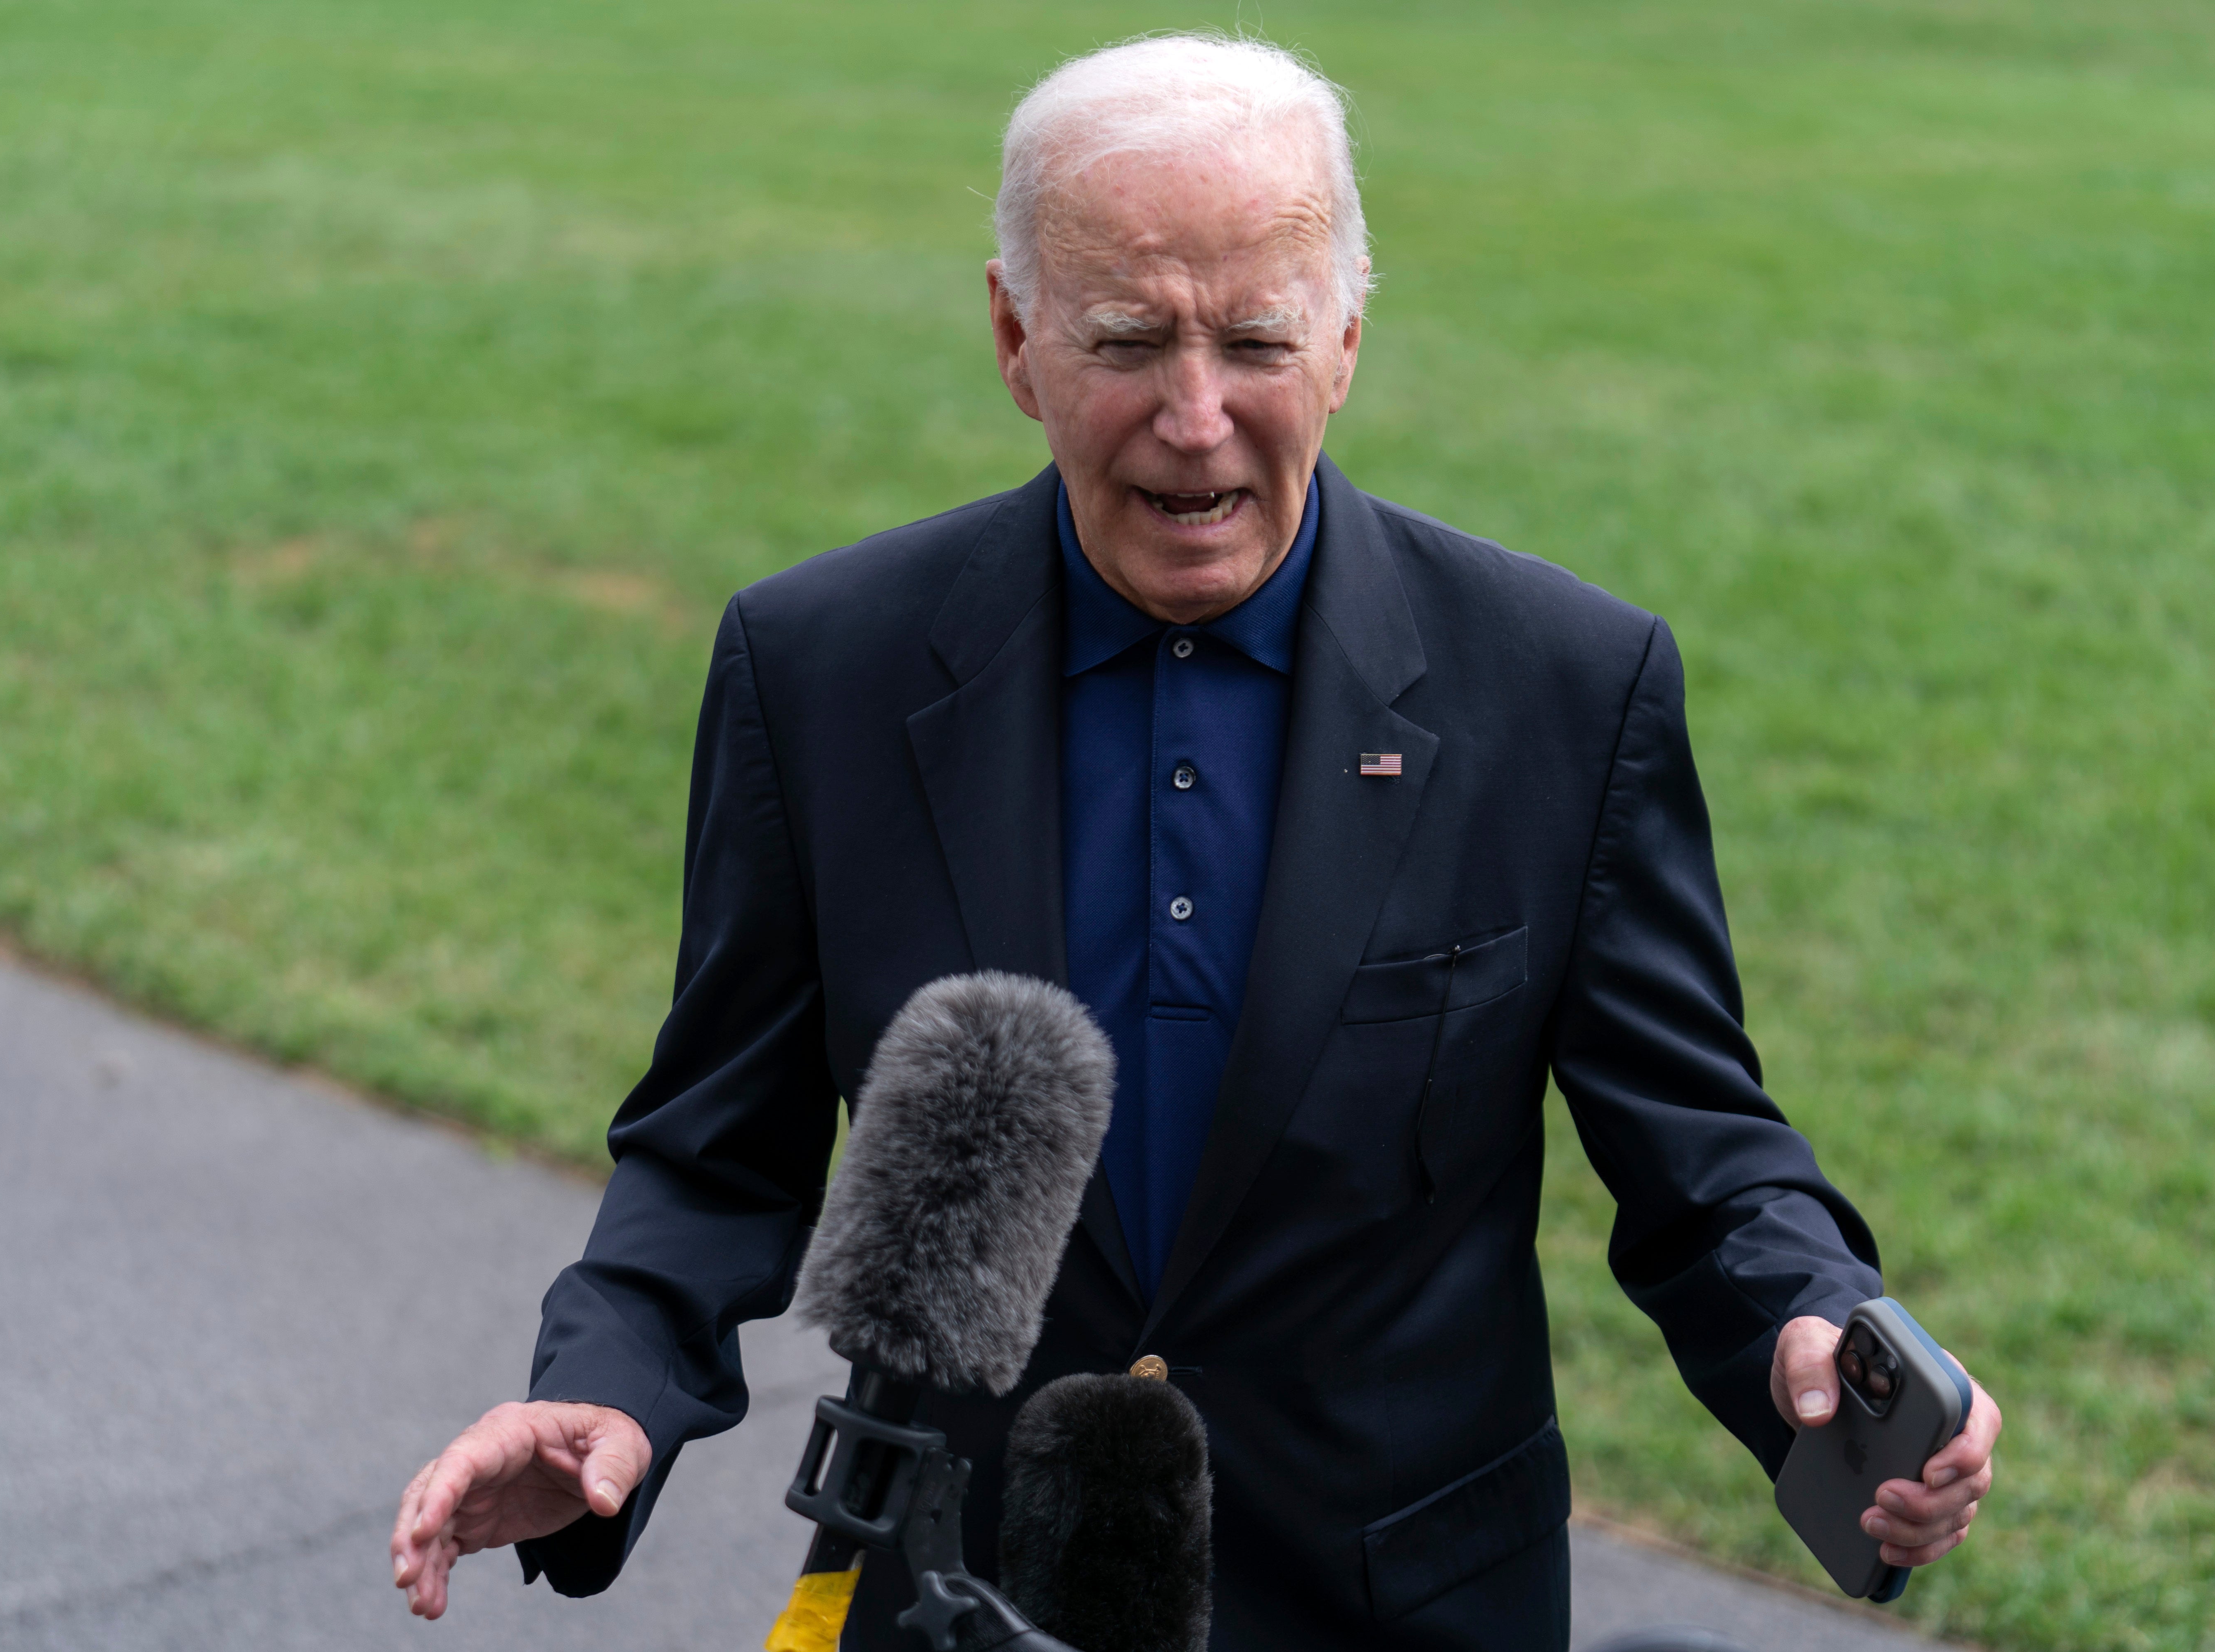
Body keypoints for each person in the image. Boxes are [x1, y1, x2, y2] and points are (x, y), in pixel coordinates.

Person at [390, 33, 2000, 1649]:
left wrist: (1811, 1315)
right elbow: (713, 1143)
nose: (1196, 414)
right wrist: (604, 1386)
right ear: (1017, 338)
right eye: (1128, 338)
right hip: (959, 1581)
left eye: (1254, 339)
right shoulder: (822, 669)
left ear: (1350, 335)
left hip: (1400, 1601)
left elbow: (1702, 1149)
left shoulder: (1564, 689)